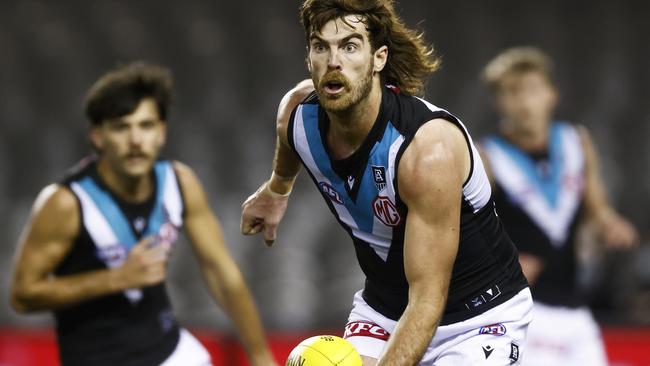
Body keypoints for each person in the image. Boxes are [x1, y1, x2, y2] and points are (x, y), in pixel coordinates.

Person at [241, 1, 533, 364]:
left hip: (477, 318)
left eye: (349, 46)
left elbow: (428, 298)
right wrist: (277, 189)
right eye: (321, 47)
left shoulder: (426, 150)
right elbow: (289, 141)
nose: (334, 61)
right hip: (384, 311)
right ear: (309, 57)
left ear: (378, 58)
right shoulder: (297, 117)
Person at [10, 62, 277, 366]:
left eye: (146, 125)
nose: (136, 140)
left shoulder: (179, 182)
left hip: (171, 353)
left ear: (161, 132)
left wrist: (260, 356)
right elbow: (23, 295)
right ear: (98, 136)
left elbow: (221, 272)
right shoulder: (66, 202)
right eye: (121, 127)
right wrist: (115, 279)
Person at [479, 46, 639, 365]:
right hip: (521, 309)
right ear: (499, 101)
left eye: (534, 90)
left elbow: (597, 207)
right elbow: (466, 231)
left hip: (575, 307)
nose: (525, 102)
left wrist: (610, 224)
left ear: (552, 94)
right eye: (513, 92)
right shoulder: (486, 157)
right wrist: (502, 264)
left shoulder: (576, 141)